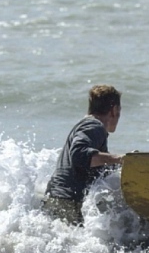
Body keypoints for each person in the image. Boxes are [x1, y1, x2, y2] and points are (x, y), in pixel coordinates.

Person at [43, 85, 124, 224]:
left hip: (56, 200)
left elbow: (89, 165)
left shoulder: (86, 126)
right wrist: (120, 159)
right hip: (67, 203)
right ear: (114, 110)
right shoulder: (94, 126)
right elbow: (79, 155)